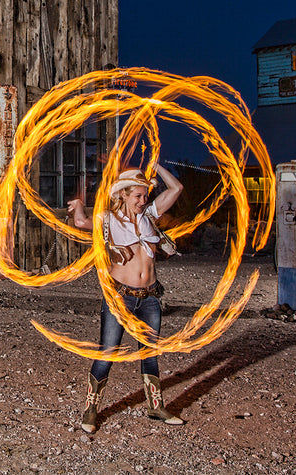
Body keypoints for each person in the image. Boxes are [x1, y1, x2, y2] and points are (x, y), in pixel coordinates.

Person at [67, 163, 184, 433]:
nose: (143, 201)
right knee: (108, 352)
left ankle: (155, 407)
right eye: (138, 196)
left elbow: (176, 188)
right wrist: (79, 206)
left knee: (151, 353)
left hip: (151, 297)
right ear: (123, 195)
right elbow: (82, 223)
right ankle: (90, 410)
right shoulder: (109, 219)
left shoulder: (150, 215)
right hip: (121, 297)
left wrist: (156, 166)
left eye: (145, 195)